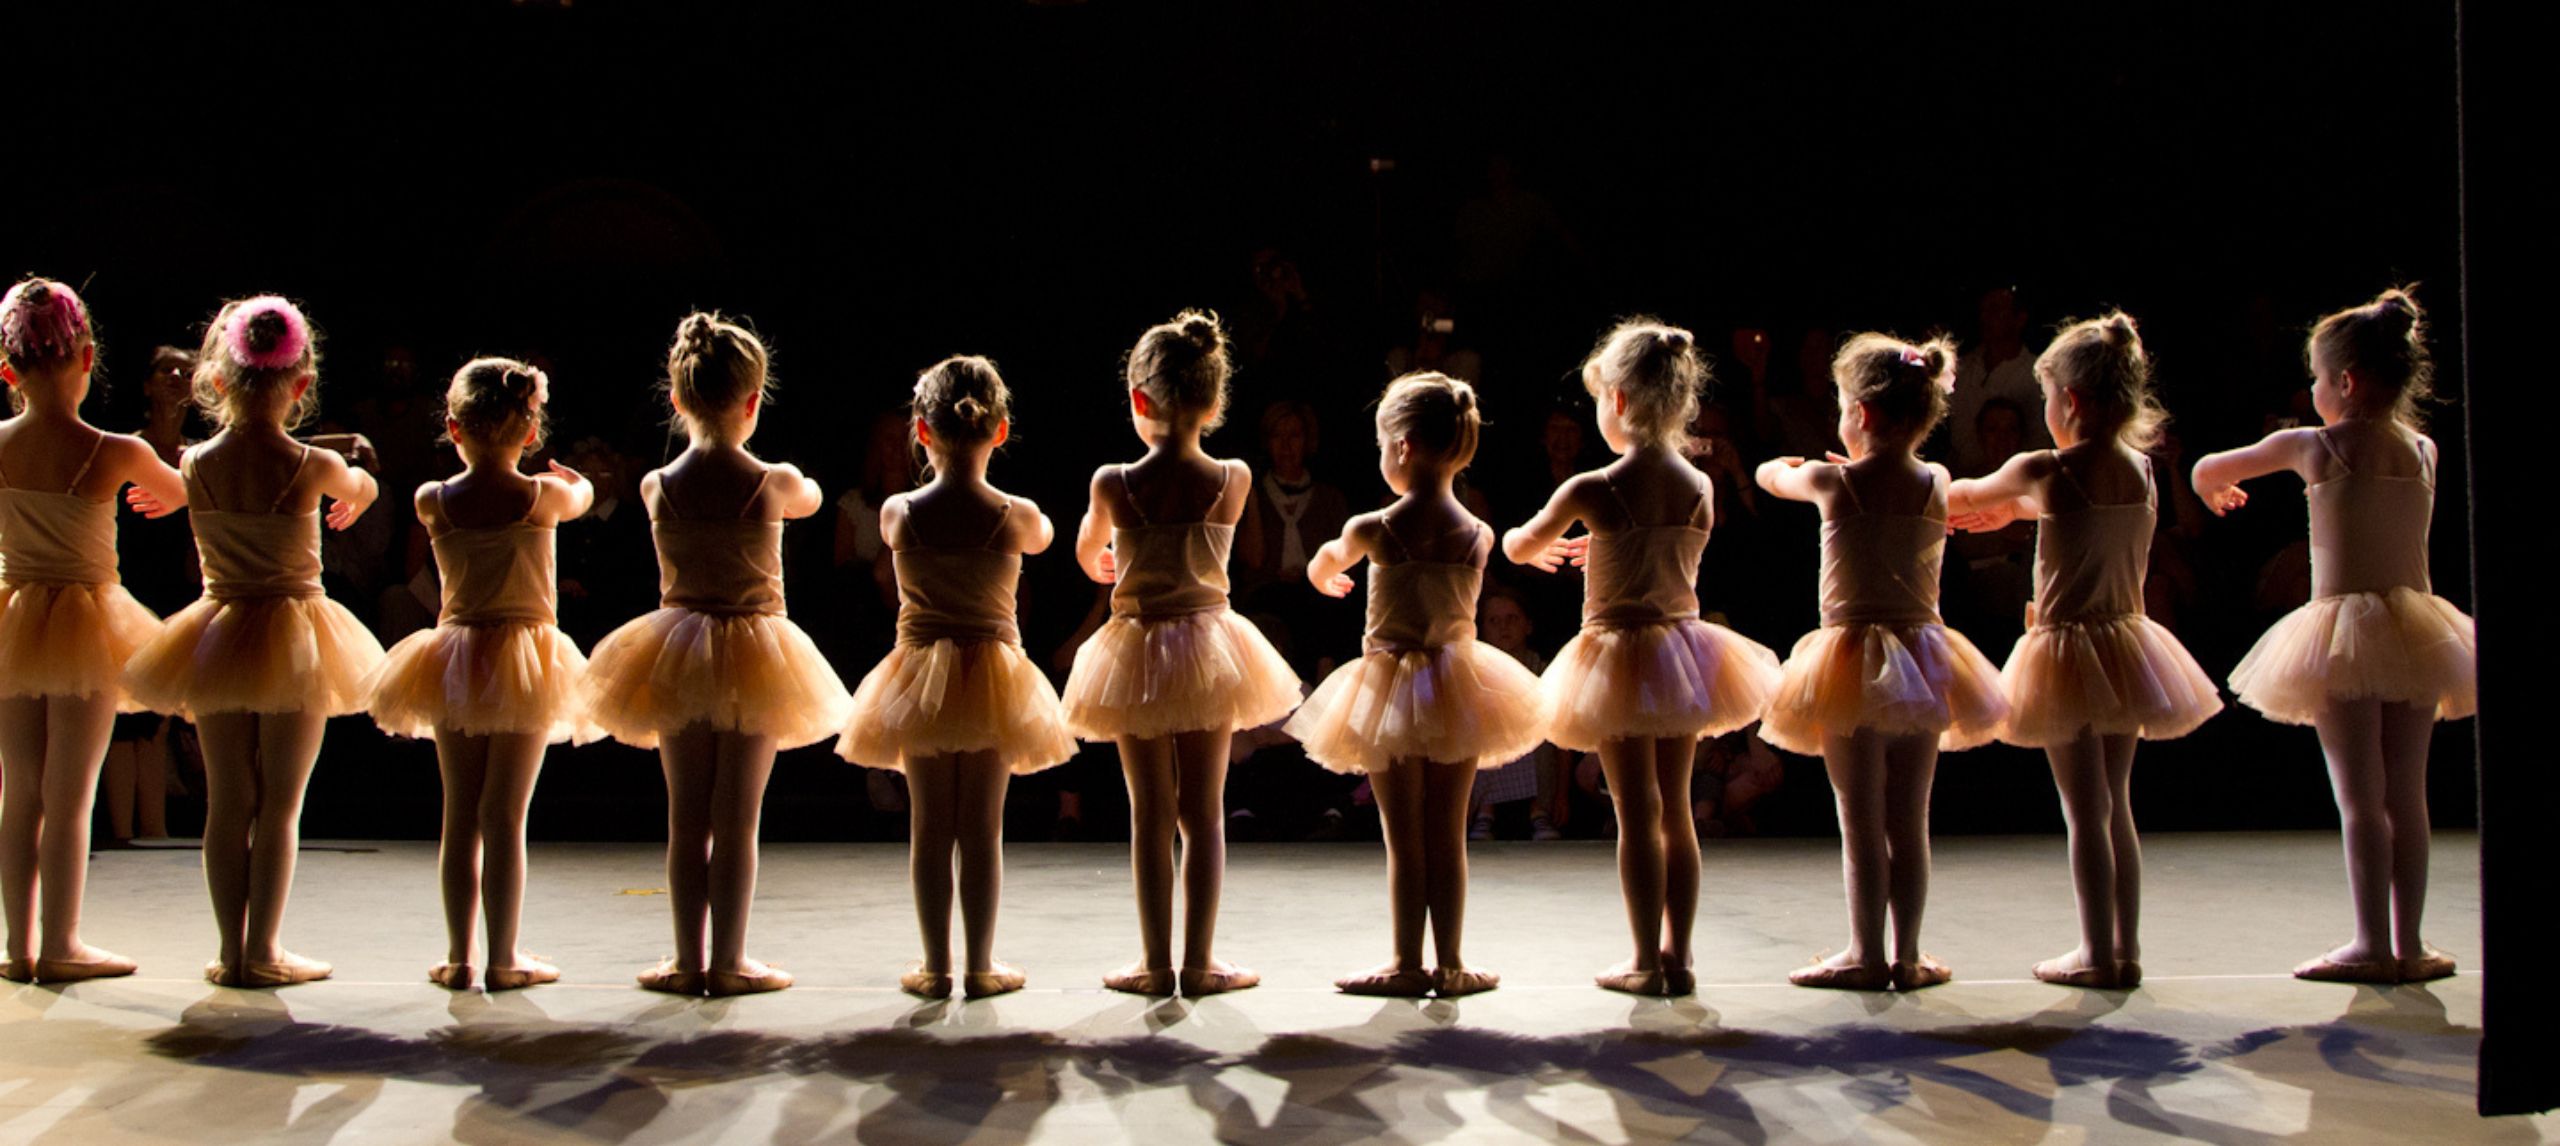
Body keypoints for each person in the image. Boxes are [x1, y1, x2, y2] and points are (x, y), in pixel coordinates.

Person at [2192, 287, 2475, 984]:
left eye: (2316, 379)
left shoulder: (2315, 445)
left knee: (2360, 797)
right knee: (2407, 795)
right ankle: (2409, 942)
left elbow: (2210, 467)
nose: (2311, 390)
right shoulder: (2424, 448)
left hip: (2345, 631)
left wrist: (2211, 490)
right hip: (2415, 630)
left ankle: (2369, 942)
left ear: (2344, 383)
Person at [1504, 319, 1782, 996]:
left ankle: (1642, 957)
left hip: (1621, 653)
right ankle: (1678, 955)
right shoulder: (1699, 485)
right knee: (1678, 812)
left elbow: (1516, 545)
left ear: (1619, 402)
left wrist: (1539, 548)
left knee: (1636, 814)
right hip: (1681, 651)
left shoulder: (1594, 488)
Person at [1947, 313, 2223, 989]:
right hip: (2126, 644)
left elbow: (1955, 496)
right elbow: (2085, 519)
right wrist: (2020, 513)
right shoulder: (2138, 469)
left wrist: (1880, 477)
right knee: (2115, 806)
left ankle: (2095, 951)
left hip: (2069, 650)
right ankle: (2121, 947)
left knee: (2083, 811)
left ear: (2069, 401)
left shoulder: (2044, 467)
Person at [581, 312, 853, 997]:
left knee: (686, 816)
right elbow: (814, 501)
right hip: (755, 649)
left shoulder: (655, 485)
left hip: (678, 650)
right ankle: (729, 960)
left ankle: (685, 958)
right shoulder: (772, 480)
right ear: (754, 402)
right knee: (736, 819)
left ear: (677, 400)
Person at [123, 296, 388, 988]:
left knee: (228, 797)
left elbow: (181, 489)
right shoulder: (309, 465)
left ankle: (230, 950)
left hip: (218, 631)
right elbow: (362, 478)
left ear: (216, 383)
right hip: (294, 633)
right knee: (280, 802)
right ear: (301, 386)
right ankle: (263, 948)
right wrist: (358, 482)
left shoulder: (196, 464)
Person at [1756, 332, 2008, 992]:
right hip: (1924, 658)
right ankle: (1910, 953)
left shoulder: (1832, 481)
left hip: (1850, 658)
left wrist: (1783, 466)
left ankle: (1865, 953)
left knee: (1859, 815)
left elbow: (1774, 478)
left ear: (1860, 415)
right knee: (1909, 818)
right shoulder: (1937, 481)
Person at [1060, 310, 1301, 998]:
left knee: (1150, 812)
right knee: (1203, 810)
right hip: (1205, 646)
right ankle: (1199, 960)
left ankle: (1153, 960)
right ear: (1214, 401)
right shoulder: (1234, 477)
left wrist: (1107, 559)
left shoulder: (1114, 482)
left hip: (1137, 646)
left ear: (1140, 400)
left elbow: (1087, 554)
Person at [1285, 372, 1545, 998]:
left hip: (1392, 690)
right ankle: (1450, 962)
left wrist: (1325, 578)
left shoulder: (1374, 527)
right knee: (1447, 833)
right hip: (1457, 685)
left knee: (1404, 839)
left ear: (1401, 446)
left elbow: (1323, 562)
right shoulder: (1477, 534)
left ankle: (1406, 960)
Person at [837, 356, 1072, 1000]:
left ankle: (937, 966)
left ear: (921, 431)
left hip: (920, 678)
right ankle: (980, 964)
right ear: (1000, 431)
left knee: (930, 827)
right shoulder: (1016, 515)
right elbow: (1047, 539)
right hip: (993, 674)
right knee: (982, 830)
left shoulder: (898, 513)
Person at [361, 358, 595, 992]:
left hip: (457, 658)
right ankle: (502, 957)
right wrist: (577, 481)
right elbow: (583, 497)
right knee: (504, 816)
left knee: (459, 813)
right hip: (524, 659)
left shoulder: (432, 500)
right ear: (529, 429)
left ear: (453, 427)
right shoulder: (540, 497)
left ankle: (461, 957)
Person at [0, 280, 188, 984]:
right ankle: (62, 942)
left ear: (7, 370)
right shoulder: (114, 449)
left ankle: (16, 944)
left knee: (19, 789)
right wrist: (161, 496)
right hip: (86, 618)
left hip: (14, 613)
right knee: (69, 790)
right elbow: (185, 492)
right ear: (86, 358)